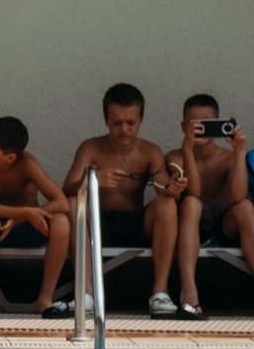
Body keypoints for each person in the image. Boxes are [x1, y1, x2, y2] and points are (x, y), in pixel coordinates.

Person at [65, 82, 183, 316]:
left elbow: (166, 193)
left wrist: (175, 188)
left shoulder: (150, 151)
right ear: (106, 120)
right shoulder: (91, 147)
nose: (124, 129)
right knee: (73, 203)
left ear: (141, 119)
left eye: (131, 123)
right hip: (98, 223)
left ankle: (160, 293)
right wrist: (93, 180)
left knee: (167, 205)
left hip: (135, 223)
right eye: (117, 123)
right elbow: (67, 190)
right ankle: (86, 293)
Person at [0, 115, 72, 317]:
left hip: (28, 227)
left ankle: (45, 298)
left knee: (62, 222)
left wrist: (23, 218)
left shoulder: (26, 164)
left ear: (10, 157)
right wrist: (24, 212)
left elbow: (61, 202)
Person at [174, 94, 253, 320]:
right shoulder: (175, 157)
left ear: (219, 125)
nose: (201, 129)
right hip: (191, 223)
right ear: (184, 126)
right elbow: (194, 192)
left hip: (224, 223)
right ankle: (189, 293)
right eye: (195, 123)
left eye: (207, 123)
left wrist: (239, 151)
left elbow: (238, 196)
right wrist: (188, 150)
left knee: (246, 208)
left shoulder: (227, 158)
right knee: (191, 203)